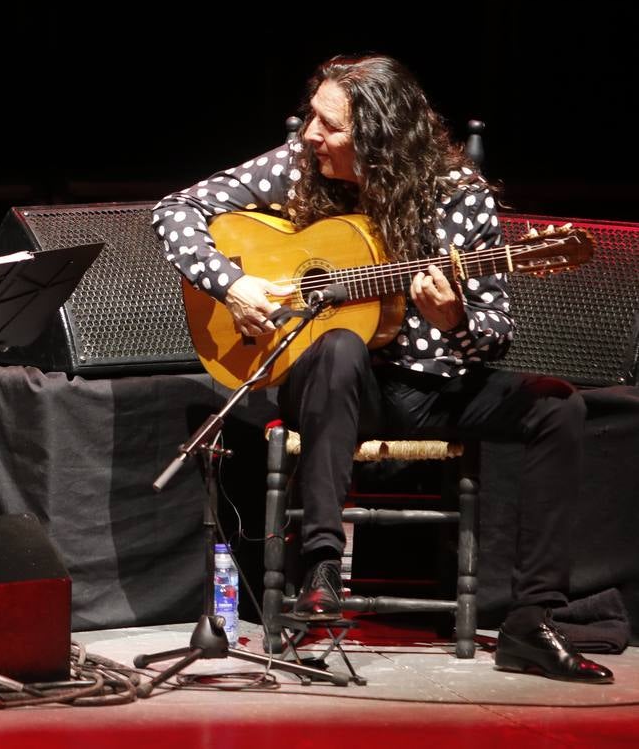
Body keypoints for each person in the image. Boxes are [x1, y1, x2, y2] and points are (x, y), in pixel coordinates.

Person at [152, 54, 611, 683]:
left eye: (329, 126)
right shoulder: (297, 165)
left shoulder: (457, 197)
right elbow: (174, 211)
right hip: (328, 385)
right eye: (312, 118)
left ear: (379, 138)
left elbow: (495, 333)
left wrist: (455, 323)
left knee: (560, 404)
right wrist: (233, 285)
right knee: (340, 345)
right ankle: (320, 568)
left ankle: (532, 621)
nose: (310, 135)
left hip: (428, 389)